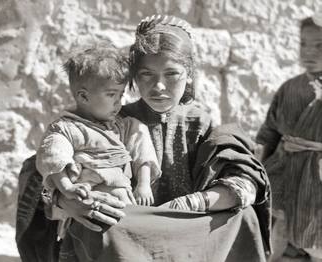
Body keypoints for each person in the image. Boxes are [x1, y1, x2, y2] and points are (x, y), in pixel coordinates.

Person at [16, 15, 271, 262]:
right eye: (146, 74)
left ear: (189, 73)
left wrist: (189, 204)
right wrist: (66, 202)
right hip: (129, 233)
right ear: (133, 77)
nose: (158, 86)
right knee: (104, 227)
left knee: (244, 217)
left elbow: (245, 184)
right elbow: (42, 172)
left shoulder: (202, 125)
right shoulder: (109, 122)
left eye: (171, 74)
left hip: (186, 231)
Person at [35, 45, 161, 238]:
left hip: (124, 202)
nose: (119, 102)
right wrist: (68, 189)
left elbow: (141, 144)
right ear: (84, 96)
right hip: (86, 204)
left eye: (121, 95)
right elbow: (54, 159)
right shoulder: (67, 129)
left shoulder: (122, 126)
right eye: (111, 95)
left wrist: (143, 183)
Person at [256, 16, 322, 262]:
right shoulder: (290, 87)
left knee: (314, 227)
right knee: (280, 218)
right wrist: (259, 152)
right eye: (304, 44)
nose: (309, 52)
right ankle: (278, 255)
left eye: (319, 45)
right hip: (286, 164)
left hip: (316, 171)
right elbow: (270, 130)